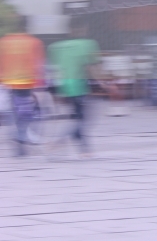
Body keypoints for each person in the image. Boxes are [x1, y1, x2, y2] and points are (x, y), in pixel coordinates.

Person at [48, 19, 100, 156]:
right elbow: (91, 67)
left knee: (79, 116)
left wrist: (55, 91)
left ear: (69, 30)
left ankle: (84, 149)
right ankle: (60, 141)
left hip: (63, 86)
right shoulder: (88, 44)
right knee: (83, 118)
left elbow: (54, 69)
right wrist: (103, 83)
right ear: (84, 28)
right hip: (79, 86)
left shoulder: (56, 47)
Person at [0, 16, 45, 157]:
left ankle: (19, 143)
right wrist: (40, 85)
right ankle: (21, 135)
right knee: (30, 112)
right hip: (26, 83)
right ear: (27, 26)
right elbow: (37, 64)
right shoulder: (34, 42)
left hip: (8, 82)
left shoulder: (4, 42)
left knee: (14, 112)